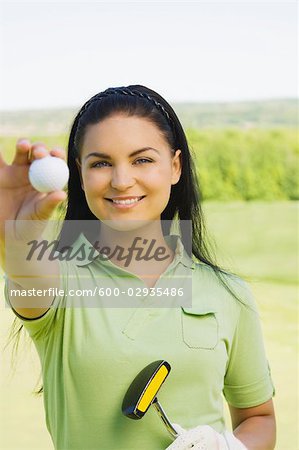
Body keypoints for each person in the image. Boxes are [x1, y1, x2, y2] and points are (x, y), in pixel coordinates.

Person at [1, 85, 276, 450]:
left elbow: (259, 418)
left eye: (142, 160)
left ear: (174, 167)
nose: (121, 180)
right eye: (100, 163)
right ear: (79, 175)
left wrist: (231, 448)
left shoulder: (229, 294)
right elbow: (25, 273)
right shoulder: (59, 280)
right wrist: (15, 238)